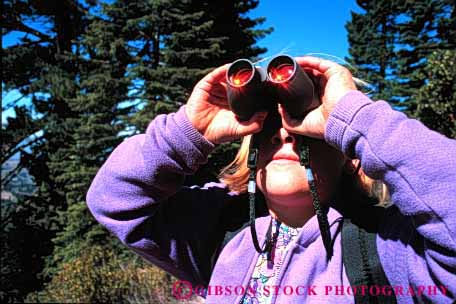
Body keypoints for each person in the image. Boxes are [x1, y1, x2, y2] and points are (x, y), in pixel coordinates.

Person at [86, 56, 456, 303]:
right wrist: (189, 129)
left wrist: (356, 118)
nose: (285, 135)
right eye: (270, 128)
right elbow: (114, 199)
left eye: (307, 127)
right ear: (249, 149)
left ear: (347, 152)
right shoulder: (217, 229)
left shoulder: (390, 249)